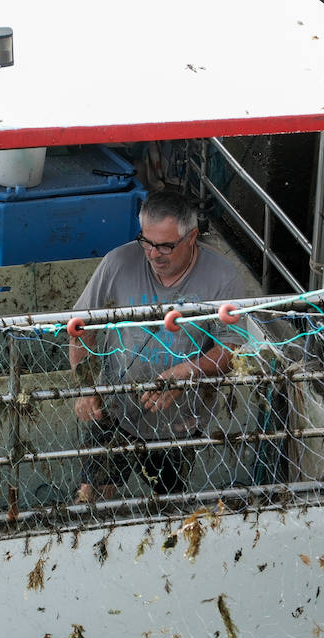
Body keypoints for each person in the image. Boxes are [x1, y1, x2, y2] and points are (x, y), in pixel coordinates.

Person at [70, 189, 250, 502]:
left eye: (166, 245)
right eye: (147, 242)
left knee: (167, 501)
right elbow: (81, 327)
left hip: (181, 419)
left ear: (192, 237)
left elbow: (231, 345)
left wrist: (189, 370)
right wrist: (86, 387)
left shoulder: (221, 277)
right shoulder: (118, 263)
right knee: (94, 491)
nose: (154, 254)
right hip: (115, 405)